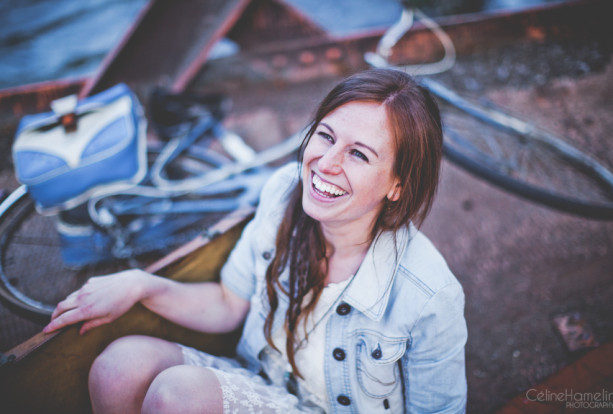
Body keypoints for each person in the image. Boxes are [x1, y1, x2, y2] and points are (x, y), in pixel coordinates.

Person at [44, 68, 467, 413]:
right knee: (119, 367)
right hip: (262, 385)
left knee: (178, 395)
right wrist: (141, 283)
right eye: (326, 135)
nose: (327, 163)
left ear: (398, 184)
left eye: (359, 154)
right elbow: (229, 304)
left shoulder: (429, 294)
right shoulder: (284, 190)